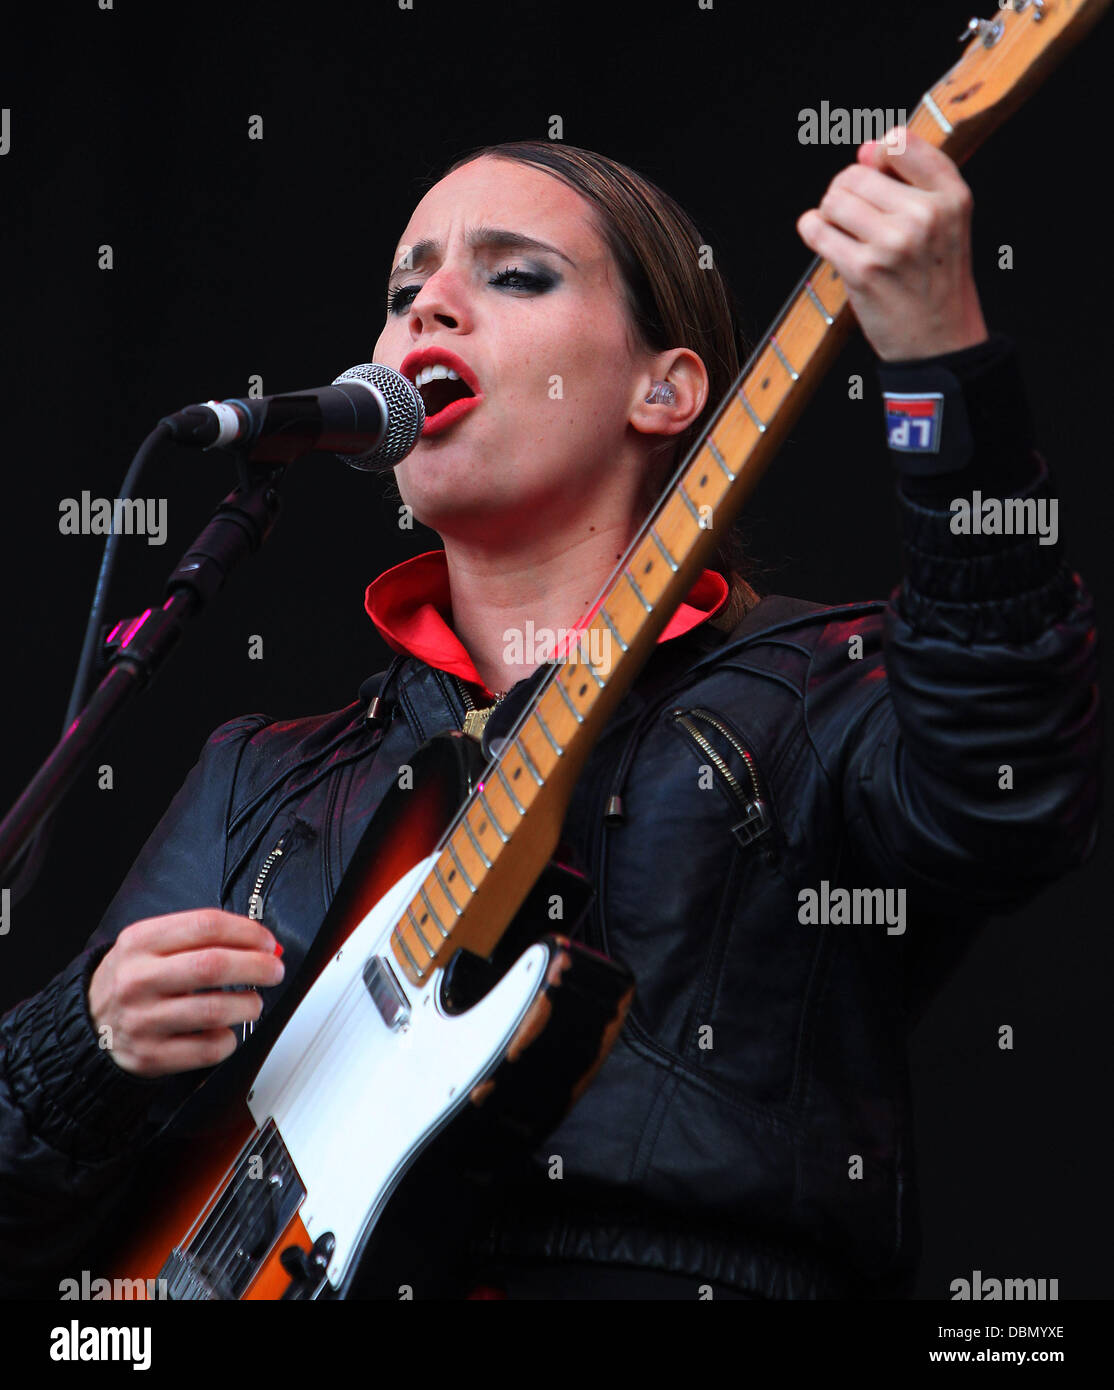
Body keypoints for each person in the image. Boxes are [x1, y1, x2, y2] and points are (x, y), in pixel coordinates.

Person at [0, 136, 1099, 1300]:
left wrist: (939, 362)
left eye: (514, 273)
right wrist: (87, 1043)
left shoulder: (812, 690)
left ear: (664, 390)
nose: (431, 304)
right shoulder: (257, 773)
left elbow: (1012, 784)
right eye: (401, 289)